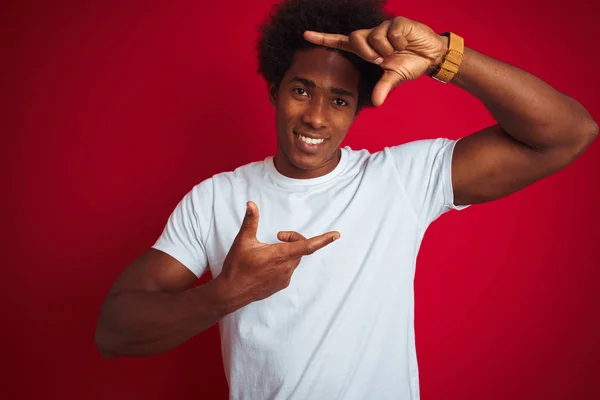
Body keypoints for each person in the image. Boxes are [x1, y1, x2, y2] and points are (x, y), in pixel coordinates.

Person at [94, 0, 598, 398]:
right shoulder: (215, 198)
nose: (316, 117)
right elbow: (114, 330)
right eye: (301, 91)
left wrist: (447, 56)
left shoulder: (400, 179)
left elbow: (568, 133)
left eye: (339, 100)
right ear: (274, 90)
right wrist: (226, 293)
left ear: (358, 109)